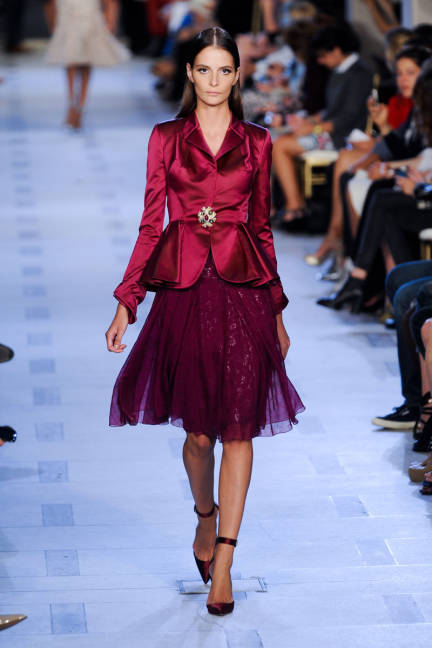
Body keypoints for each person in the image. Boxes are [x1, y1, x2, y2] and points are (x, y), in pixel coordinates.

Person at [105, 26, 304, 616]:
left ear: (237, 75)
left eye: (224, 70)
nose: (214, 80)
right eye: (204, 69)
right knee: (198, 436)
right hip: (185, 292)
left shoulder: (258, 141)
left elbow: (262, 229)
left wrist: (277, 308)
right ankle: (204, 514)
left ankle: (224, 564)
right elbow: (151, 224)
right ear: (190, 74)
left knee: (239, 429)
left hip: (244, 294)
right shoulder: (166, 138)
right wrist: (128, 300)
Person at [272, 24, 372, 223]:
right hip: (330, 131)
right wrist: (308, 121)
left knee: (280, 146)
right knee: (274, 141)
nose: (320, 61)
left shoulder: (359, 73)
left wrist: (312, 127)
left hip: (344, 137)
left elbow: (347, 117)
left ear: (336, 51)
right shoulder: (341, 70)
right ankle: (284, 205)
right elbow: (331, 110)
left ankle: (295, 207)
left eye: (323, 56)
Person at [44, 0, 130, 129]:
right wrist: (52, 20)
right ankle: (72, 105)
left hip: (89, 16)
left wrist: (111, 20)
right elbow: (49, 3)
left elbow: (110, 2)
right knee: (70, 60)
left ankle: (80, 106)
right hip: (68, 14)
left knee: (87, 62)